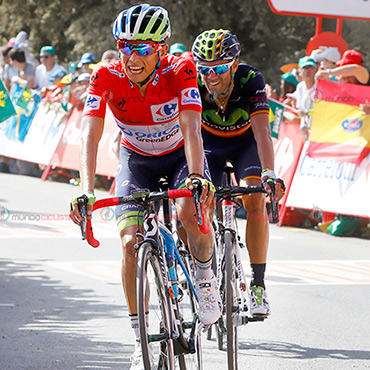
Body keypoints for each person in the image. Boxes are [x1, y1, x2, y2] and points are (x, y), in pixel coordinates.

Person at [69, 5, 221, 369]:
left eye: (142, 48)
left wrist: (198, 175)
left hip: (180, 157)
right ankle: (141, 340)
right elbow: (89, 132)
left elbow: (191, 127)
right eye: (124, 46)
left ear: (161, 47)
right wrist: (87, 189)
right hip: (136, 161)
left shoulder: (180, 68)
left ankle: (203, 273)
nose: (131, 57)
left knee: (188, 211)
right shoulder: (104, 74)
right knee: (128, 243)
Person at [191, 29, 285, 318]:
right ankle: (204, 270)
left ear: (233, 64)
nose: (211, 76)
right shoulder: (192, 82)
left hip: (245, 144)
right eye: (204, 69)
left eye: (219, 68)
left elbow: (262, 131)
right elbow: (188, 129)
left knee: (254, 200)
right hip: (210, 146)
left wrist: (269, 173)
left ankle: (258, 284)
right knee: (201, 202)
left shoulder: (250, 79)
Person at [289, 56, 318, 140]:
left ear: (315, 69)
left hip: (320, 130)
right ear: (300, 71)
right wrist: (304, 126)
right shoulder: (300, 87)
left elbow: (323, 109)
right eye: (304, 68)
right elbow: (301, 110)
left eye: (310, 67)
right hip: (307, 132)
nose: (307, 70)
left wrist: (307, 112)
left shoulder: (321, 86)